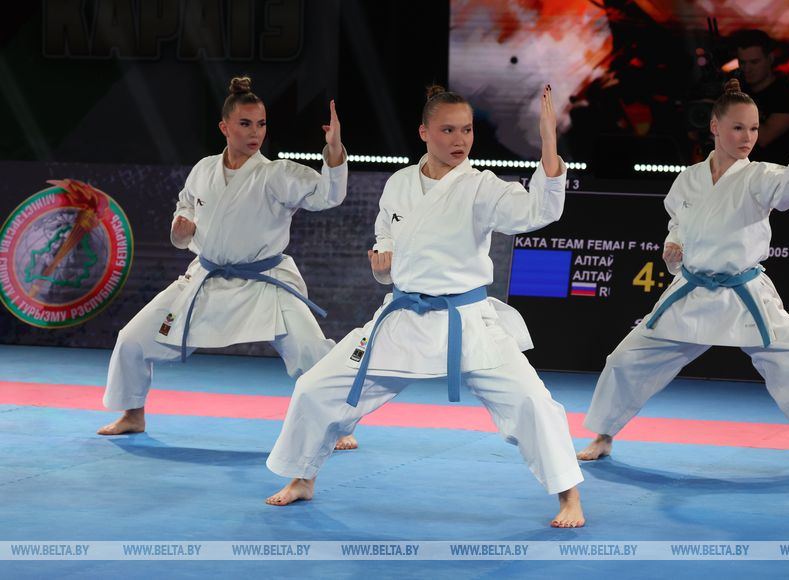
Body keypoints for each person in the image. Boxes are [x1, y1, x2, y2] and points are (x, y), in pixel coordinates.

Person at [263, 85, 586, 528]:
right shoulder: (399, 183)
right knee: (315, 388)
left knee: (532, 402)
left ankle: (569, 496)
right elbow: (385, 236)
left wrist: (548, 142)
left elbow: (538, 210)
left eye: (467, 130)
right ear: (424, 133)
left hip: (467, 323)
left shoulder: (482, 186)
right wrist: (382, 262)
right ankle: (303, 477)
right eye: (448, 130)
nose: (460, 140)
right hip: (403, 318)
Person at [577, 78, 789, 477]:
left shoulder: (760, 176)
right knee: (625, 360)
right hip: (691, 291)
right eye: (738, 127)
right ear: (715, 127)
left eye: (753, 128)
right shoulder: (689, 178)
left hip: (744, 293)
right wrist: (674, 246)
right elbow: (678, 223)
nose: (748, 137)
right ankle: (603, 435)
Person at [97, 76, 352, 444]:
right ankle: (132, 413)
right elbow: (184, 213)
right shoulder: (203, 170)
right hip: (206, 277)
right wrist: (181, 231)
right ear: (224, 127)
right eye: (245, 124)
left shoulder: (277, 174)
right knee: (133, 339)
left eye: (261, 124)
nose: (255, 132)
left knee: (311, 350)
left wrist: (334, 150)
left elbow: (328, 194)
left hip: (265, 282)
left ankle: (335, 424)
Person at [733, 29, 789, 166]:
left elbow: (765, 137)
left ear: (770, 58)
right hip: (745, 173)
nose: (747, 69)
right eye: (742, 62)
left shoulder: (788, 93)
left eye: (754, 62)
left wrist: (731, 106)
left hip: (780, 174)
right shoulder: (739, 90)